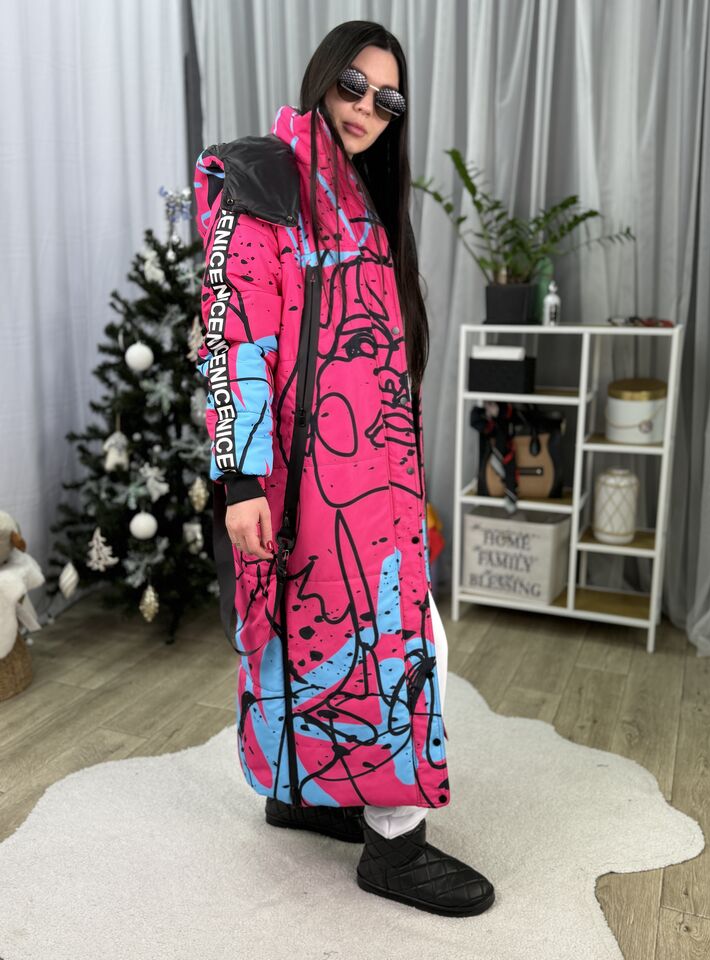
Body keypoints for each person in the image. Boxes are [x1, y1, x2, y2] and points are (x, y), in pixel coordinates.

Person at [193, 20, 495, 918]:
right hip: (306, 481)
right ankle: (395, 849)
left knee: (318, 638)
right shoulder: (266, 177)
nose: (367, 107)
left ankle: (303, 788)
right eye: (353, 85)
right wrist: (240, 478)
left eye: (387, 98)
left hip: (366, 477)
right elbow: (232, 329)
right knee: (395, 647)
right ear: (322, 77)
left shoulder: (359, 195)